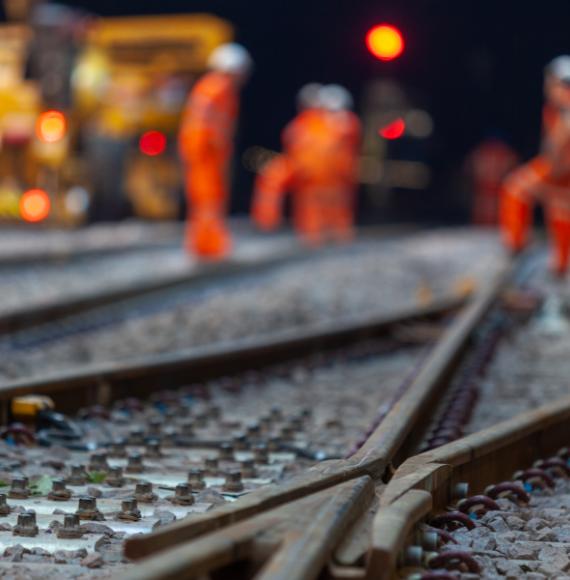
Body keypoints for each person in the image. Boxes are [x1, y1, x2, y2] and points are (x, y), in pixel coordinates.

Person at [252, 83, 361, 245]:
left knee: (327, 207)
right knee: (319, 207)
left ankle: (326, 234)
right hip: (315, 174)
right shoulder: (313, 124)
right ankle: (272, 223)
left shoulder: (335, 124)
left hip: (326, 175)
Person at [179, 43, 252, 259]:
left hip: (205, 152)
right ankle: (209, 245)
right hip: (205, 154)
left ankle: (204, 244)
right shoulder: (216, 88)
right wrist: (212, 149)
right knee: (208, 198)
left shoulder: (214, 88)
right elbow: (205, 125)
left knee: (205, 199)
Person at [500, 56, 570, 276]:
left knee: (518, 189)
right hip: (557, 173)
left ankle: (557, 263)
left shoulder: (566, 111)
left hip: (561, 173)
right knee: (557, 208)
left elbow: (557, 155)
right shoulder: (554, 110)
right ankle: (520, 246)